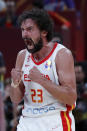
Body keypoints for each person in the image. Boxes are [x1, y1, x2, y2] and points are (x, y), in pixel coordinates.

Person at [10, 8, 77, 131]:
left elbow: (71, 98)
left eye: (30, 29)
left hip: (55, 119)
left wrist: (42, 80)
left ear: (44, 32)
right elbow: (15, 98)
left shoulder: (61, 54)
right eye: (23, 30)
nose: (25, 34)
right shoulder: (22, 56)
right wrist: (15, 83)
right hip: (28, 120)